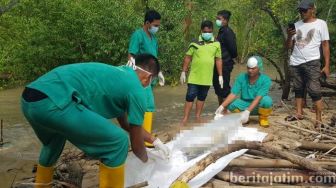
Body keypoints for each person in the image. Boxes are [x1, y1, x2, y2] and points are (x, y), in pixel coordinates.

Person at [21, 54, 170, 188]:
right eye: (153, 80)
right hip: (54, 102)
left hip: (30, 99)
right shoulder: (136, 89)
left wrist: (154, 140)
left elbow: (125, 124)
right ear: (148, 77)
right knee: (117, 143)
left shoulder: (120, 75)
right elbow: (137, 146)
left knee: (53, 144)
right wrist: (149, 161)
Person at [285, 0, 330, 128]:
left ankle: (319, 119)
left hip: (312, 62)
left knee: (315, 90)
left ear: (312, 9)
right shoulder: (296, 25)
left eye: (304, 10)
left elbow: (325, 45)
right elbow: (288, 47)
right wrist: (289, 36)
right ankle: (299, 113)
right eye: (300, 10)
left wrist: (326, 65)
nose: (302, 13)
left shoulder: (321, 24)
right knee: (298, 89)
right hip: (295, 61)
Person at [128, 9, 164, 143]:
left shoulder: (153, 38)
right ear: (147, 23)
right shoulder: (138, 35)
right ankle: (145, 140)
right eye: (155, 25)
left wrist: (158, 72)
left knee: (144, 105)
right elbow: (131, 55)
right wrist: (133, 74)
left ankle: (141, 136)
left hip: (151, 75)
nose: (157, 28)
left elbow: (153, 57)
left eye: (158, 25)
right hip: (141, 77)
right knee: (148, 105)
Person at [180, 20, 223, 124]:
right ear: (201, 31)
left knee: (202, 97)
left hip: (207, 78)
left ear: (212, 31)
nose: (207, 33)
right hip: (194, 76)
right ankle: (185, 119)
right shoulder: (194, 42)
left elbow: (218, 59)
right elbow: (187, 57)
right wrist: (183, 72)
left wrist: (220, 75)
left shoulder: (216, 43)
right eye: (205, 31)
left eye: (209, 31)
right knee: (190, 96)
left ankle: (197, 117)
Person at [215, 56, 272, 127]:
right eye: (248, 68)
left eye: (253, 68)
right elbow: (233, 94)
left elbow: (259, 97)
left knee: (267, 100)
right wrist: (222, 106)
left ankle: (263, 118)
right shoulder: (241, 77)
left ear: (259, 68)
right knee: (231, 105)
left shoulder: (266, 79)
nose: (250, 70)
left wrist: (248, 111)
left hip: (258, 105)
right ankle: (244, 118)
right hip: (244, 103)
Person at [213, 10, 238, 105]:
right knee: (218, 87)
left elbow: (234, 52)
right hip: (218, 64)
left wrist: (225, 58)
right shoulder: (221, 31)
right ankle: (221, 108)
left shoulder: (228, 32)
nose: (217, 20)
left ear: (225, 20)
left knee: (224, 88)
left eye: (219, 19)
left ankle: (227, 109)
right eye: (217, 18)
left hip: (225, 64)